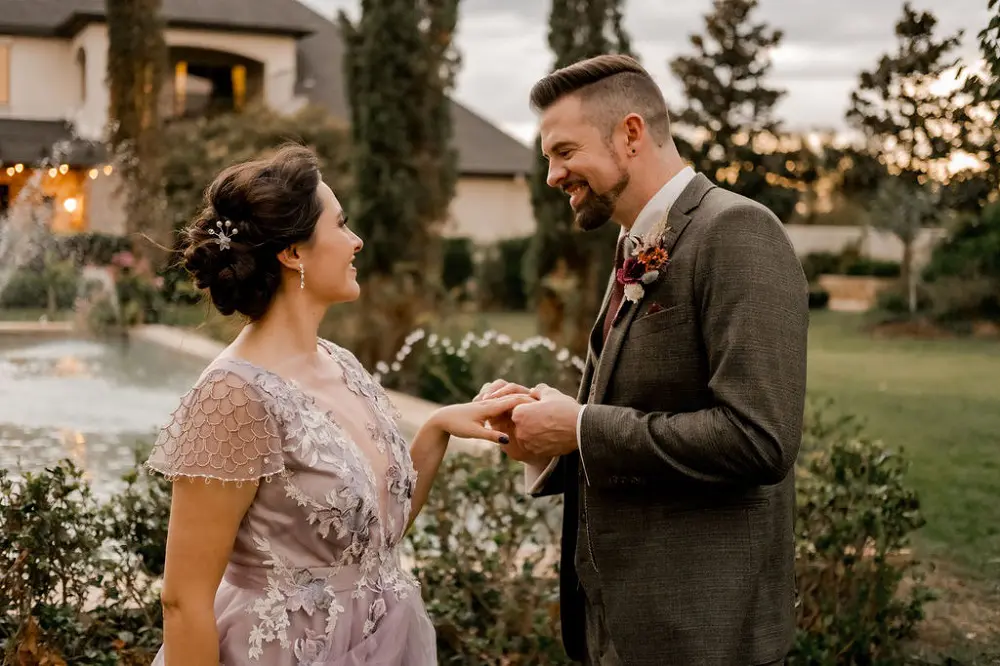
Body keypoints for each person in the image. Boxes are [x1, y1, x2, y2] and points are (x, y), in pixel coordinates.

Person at [478, 54, 809, 666]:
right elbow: (632, 412)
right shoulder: (634, 244)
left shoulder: (735, 231)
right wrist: (546, 434)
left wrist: (578, 428)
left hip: (702, 633)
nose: (553, 175)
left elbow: (760, 438)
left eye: (564, 151)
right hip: (622, 624)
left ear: (630, 134)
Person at [144, 144, 530, 666]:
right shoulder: (231, 396)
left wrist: (437, 428)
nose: (357, 241)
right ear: (294, 253)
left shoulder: (341, 363)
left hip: (385, 643)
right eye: (341, 225)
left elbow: (368, 542)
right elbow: (183, 600)